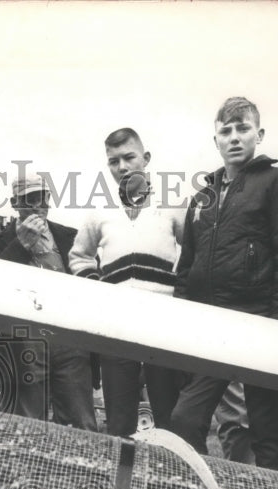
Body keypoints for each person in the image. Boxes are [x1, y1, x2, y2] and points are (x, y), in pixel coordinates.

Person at [171, 97, 278, 471]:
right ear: (215, 140)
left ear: (259, 134)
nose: (234, 138)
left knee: (265, 428)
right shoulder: (203, 197)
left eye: (243, 128)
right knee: (186, 419)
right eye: (226, 131)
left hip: (259, 322)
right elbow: (186, 265)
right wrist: (185, 319)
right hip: (211, 328)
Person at [68, 127, 184, 436]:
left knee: (169, 415)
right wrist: (99, 288)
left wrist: (178, 289)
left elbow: (194, 251)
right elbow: (80, 256)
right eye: (113, 161)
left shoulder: (172, 204)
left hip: (163, 326)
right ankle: (124, 482)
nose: (122, 167)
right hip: (117, 327)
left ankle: (174, 481)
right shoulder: (99, 212)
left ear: (145, 159)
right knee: (120, 422)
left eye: (129, 157)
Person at [0, 175, 96, 430]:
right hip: (23, 341)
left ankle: (83, 468)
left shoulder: (70, 236)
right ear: (14, 203)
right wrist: (21, 245)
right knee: (27, 424)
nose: (36, 206)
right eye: (28, 200)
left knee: (82, 422)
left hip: (68, 338)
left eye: (41, 198)